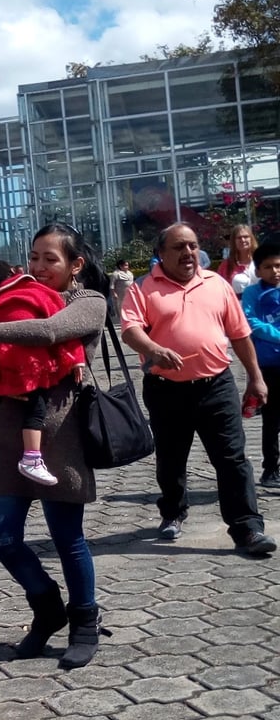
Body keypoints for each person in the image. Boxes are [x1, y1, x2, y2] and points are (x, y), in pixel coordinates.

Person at [0, 223, 110, 669]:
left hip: (60, 435)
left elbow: (50, 331)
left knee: (68, 538)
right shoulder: (15, 295)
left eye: (50, 259)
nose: (38, 267)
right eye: (34, 257)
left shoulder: (88, 302)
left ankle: (84, 621)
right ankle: (48, 605)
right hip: (11, 432)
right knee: (2, 536)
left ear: (76, 265)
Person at [121, 222, 275, 556]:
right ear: (161, 254)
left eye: (192, 246)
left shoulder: (216, 284)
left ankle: (247, 528)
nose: (188, 253)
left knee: (233, 458)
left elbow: (239, 333)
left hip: (216, 386)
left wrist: (255, 376)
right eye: (178, 247)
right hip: (166, 389)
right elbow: (130, 329)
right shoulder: (143, 287)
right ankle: (173, 512)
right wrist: (154, 349)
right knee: (171, 459)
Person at [0, 259, 85, 485]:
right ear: (12, 272)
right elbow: (59, 326)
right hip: (30, 363)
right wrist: (76, 359)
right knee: (36, 407)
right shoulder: (33, 291)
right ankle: (31, 458)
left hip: (1, 363)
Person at [241, 240, 280, 488]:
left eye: (278, 266)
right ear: (258, 271)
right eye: (268, 267)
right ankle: (270, 470)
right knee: (272, 421)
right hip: (268, 367)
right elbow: (248, 321)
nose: (275, 271)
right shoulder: (252, 293)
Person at [218, 224, 258, 298]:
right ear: (234, 241)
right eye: (239, 238)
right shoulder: (226, 265)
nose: (243, 240)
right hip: (240, 307)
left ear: (251, 239)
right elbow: (220, 289)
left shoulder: (262, 260)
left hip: (266, 305)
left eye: (246, 237)